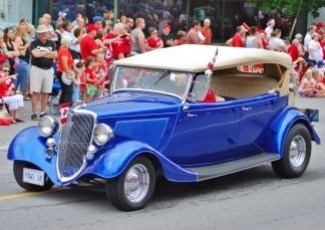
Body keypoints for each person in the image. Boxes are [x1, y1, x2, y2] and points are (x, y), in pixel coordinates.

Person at [30, 25, 57, 120]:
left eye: (45, 33)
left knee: (46, 92)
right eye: (42, 33)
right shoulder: (34, 43)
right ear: (38, 34)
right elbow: (35, 55)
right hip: (37, 68)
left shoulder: (51, 43)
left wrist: (42, 54)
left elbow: (55, 55)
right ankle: (33, 112)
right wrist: (47, 53)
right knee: (36, 91)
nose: (44, 34)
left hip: (48, 69)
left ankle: (42, 112)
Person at [14, 23, 31, 100]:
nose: (25, 30)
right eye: (23, 29)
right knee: (24, 77)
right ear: (19, 30)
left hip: (22, 60)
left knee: (18, 77)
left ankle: (15, 93)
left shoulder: (23, 37)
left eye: (25, 29)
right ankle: (24, 95)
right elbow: (16, 47)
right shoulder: (18, 37)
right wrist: (26, 46)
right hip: (21, 60)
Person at [56, 35, 74, 105]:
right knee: (68, 91)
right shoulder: (64, 50)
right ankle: (65, 108)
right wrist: (68, 74)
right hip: (63, 72)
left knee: (65, 91)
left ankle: (62, 107)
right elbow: (64, 64)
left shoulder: (62, 49)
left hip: (61, 72)